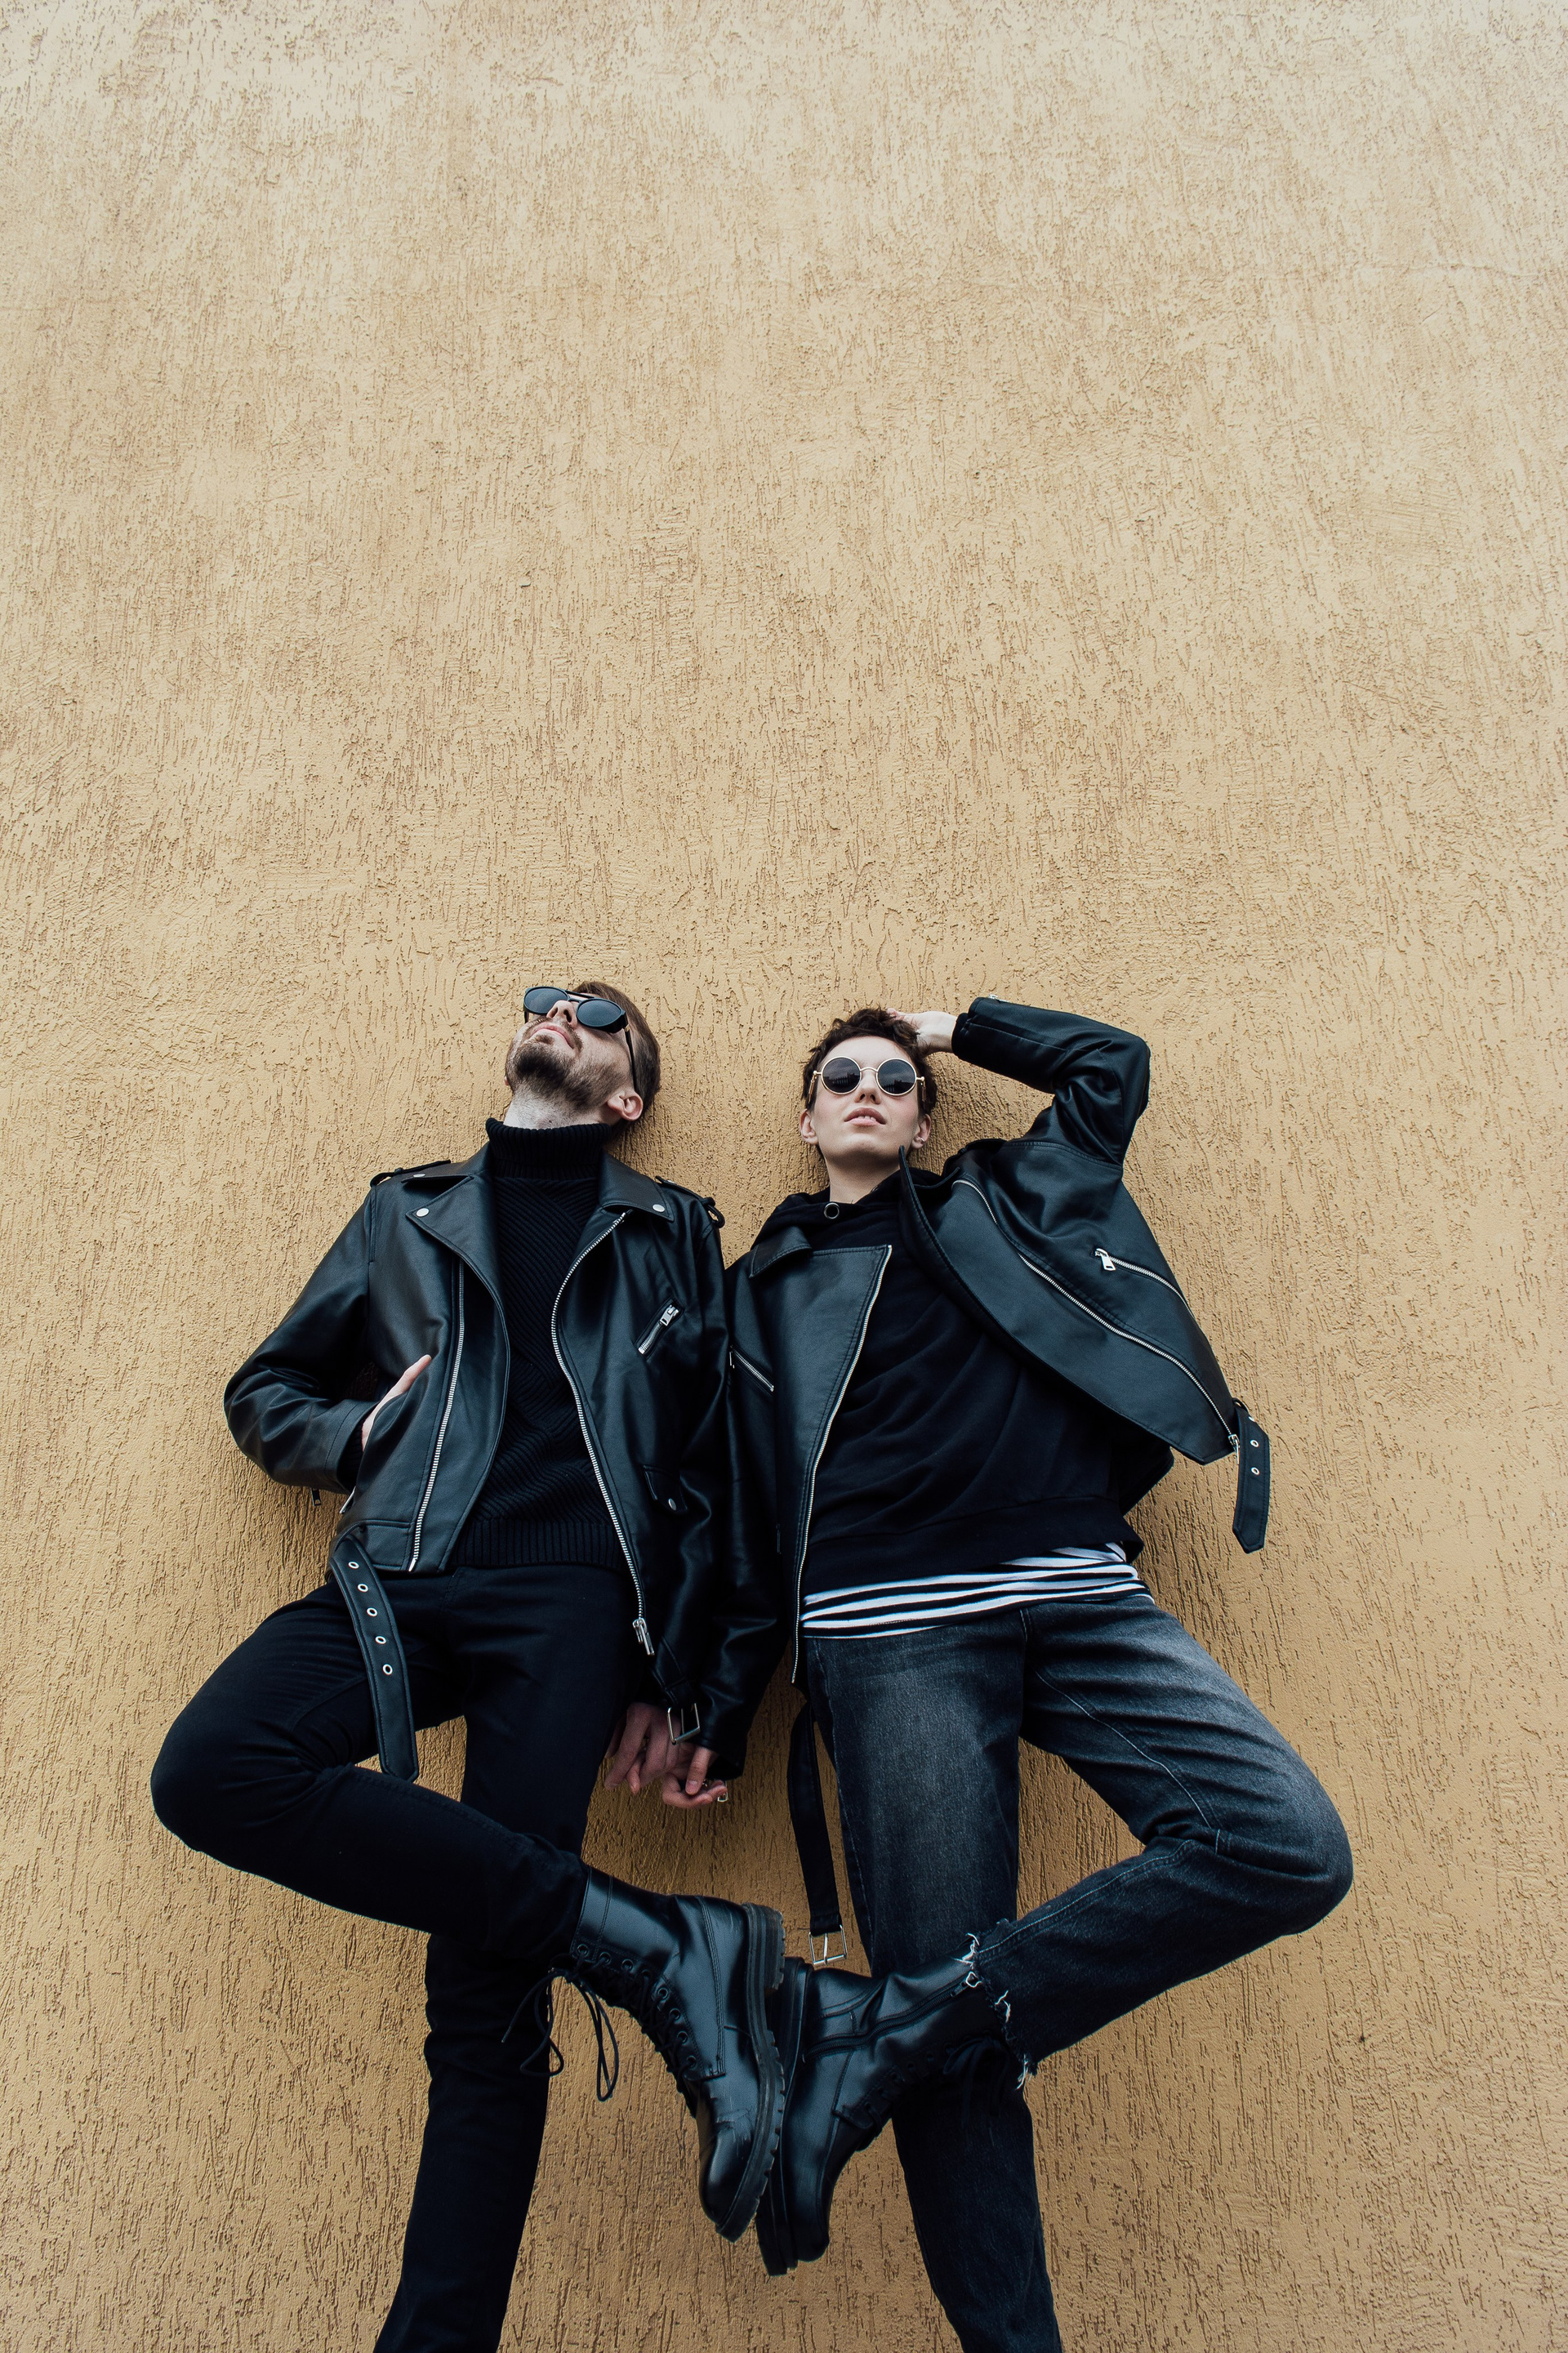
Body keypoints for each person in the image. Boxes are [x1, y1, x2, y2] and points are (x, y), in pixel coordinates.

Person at [703, 996, 1353, 2353]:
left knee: (1287, 1844)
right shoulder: (757, 1286)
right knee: (957, 2069)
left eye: (897, 1078)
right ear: (809, 1117)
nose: (871, 1087)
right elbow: (740, 1513)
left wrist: (950, 1022)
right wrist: (716, 1701)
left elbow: (1114, 1065)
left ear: (925, 1118)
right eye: (843, 1076)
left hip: (1078, 1594)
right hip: (887, 1627)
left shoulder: (1008, 1197)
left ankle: (884, 2026)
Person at [151, 984, 786, 2353]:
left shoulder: (672, 1229)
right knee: (210, 1767)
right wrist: (349, 1435)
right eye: (545, 1000)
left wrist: (683, 1679)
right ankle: (660, 1942)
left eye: (597, 1012)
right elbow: (264, 1390)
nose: (560, 1013)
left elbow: (719, 1472)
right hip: (402, 1570)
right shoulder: (408, 1210)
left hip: (574, 1606)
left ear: (627, 1092)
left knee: (485, 1998)